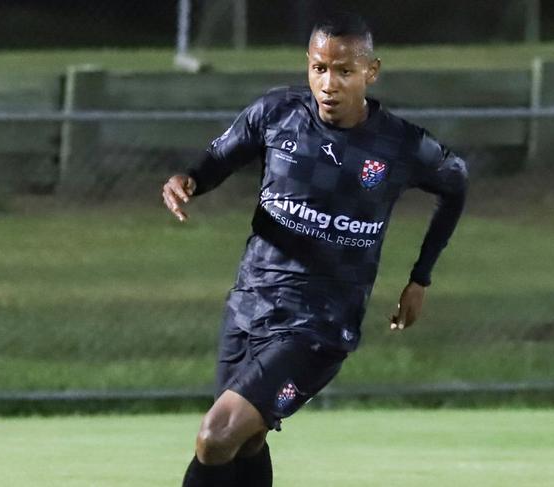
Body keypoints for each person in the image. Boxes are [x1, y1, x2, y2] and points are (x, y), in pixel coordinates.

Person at [162, 12, 468, 487]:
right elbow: (220, 158)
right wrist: (190, 180)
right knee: (247, 441)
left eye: (344, 71)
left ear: (371, 72)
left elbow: (456, 182)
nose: (329, 83)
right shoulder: (278, 113)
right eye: (319, 68)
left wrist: (420, 276)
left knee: (215, 436)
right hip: (249, 305)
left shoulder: (400, 145)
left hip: (319, 324)